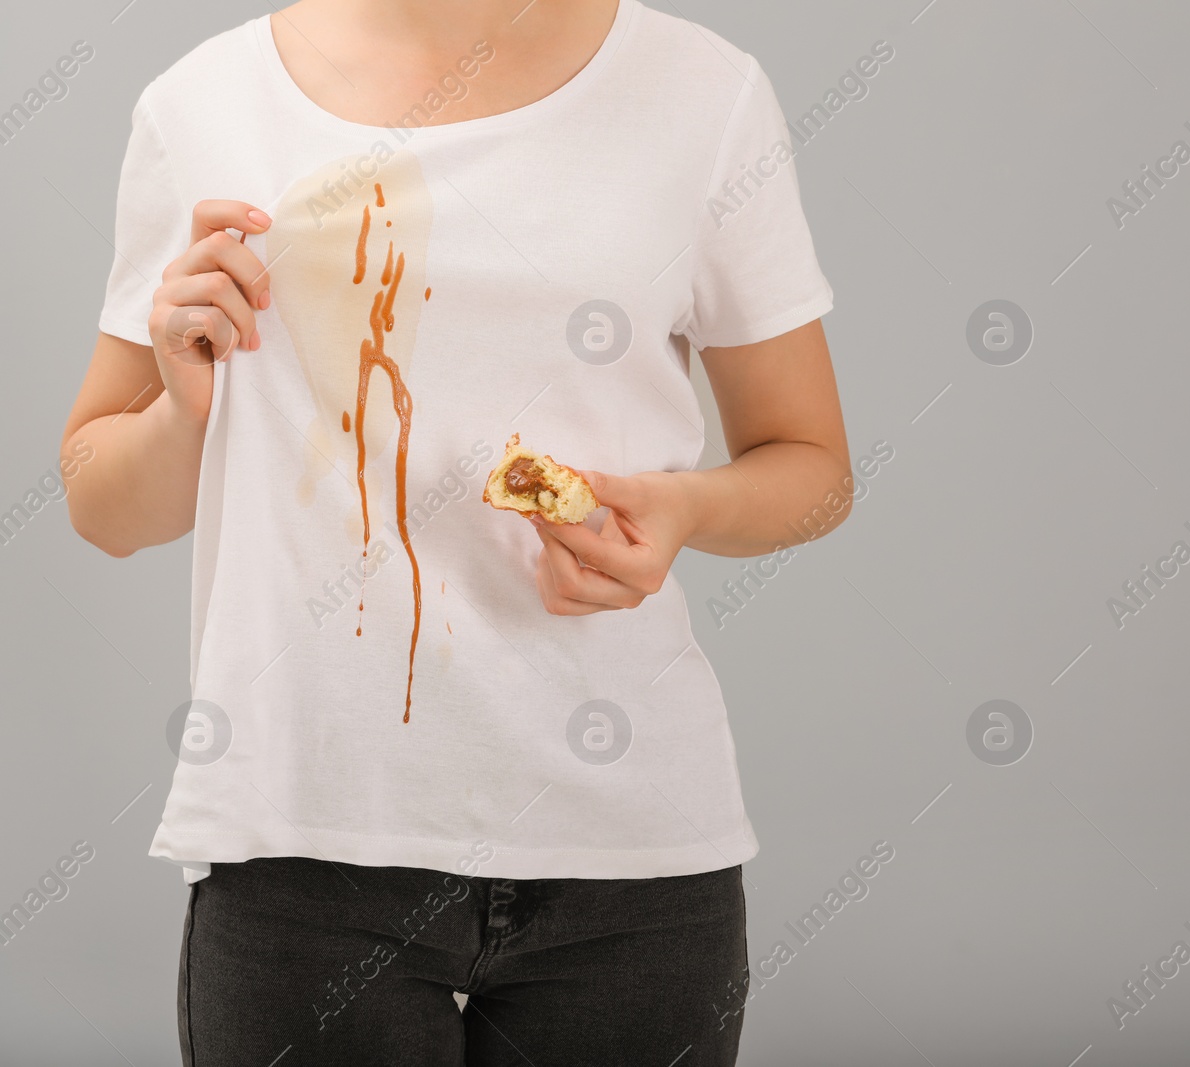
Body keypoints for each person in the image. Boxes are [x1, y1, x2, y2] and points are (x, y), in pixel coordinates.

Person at [59, 0, 849, 1062]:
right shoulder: (203, 103)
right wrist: (182, 402)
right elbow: (100, 503)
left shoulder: (703, 94)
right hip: (304, 841)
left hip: (628, 859)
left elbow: (813, 468)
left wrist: (686, 510)